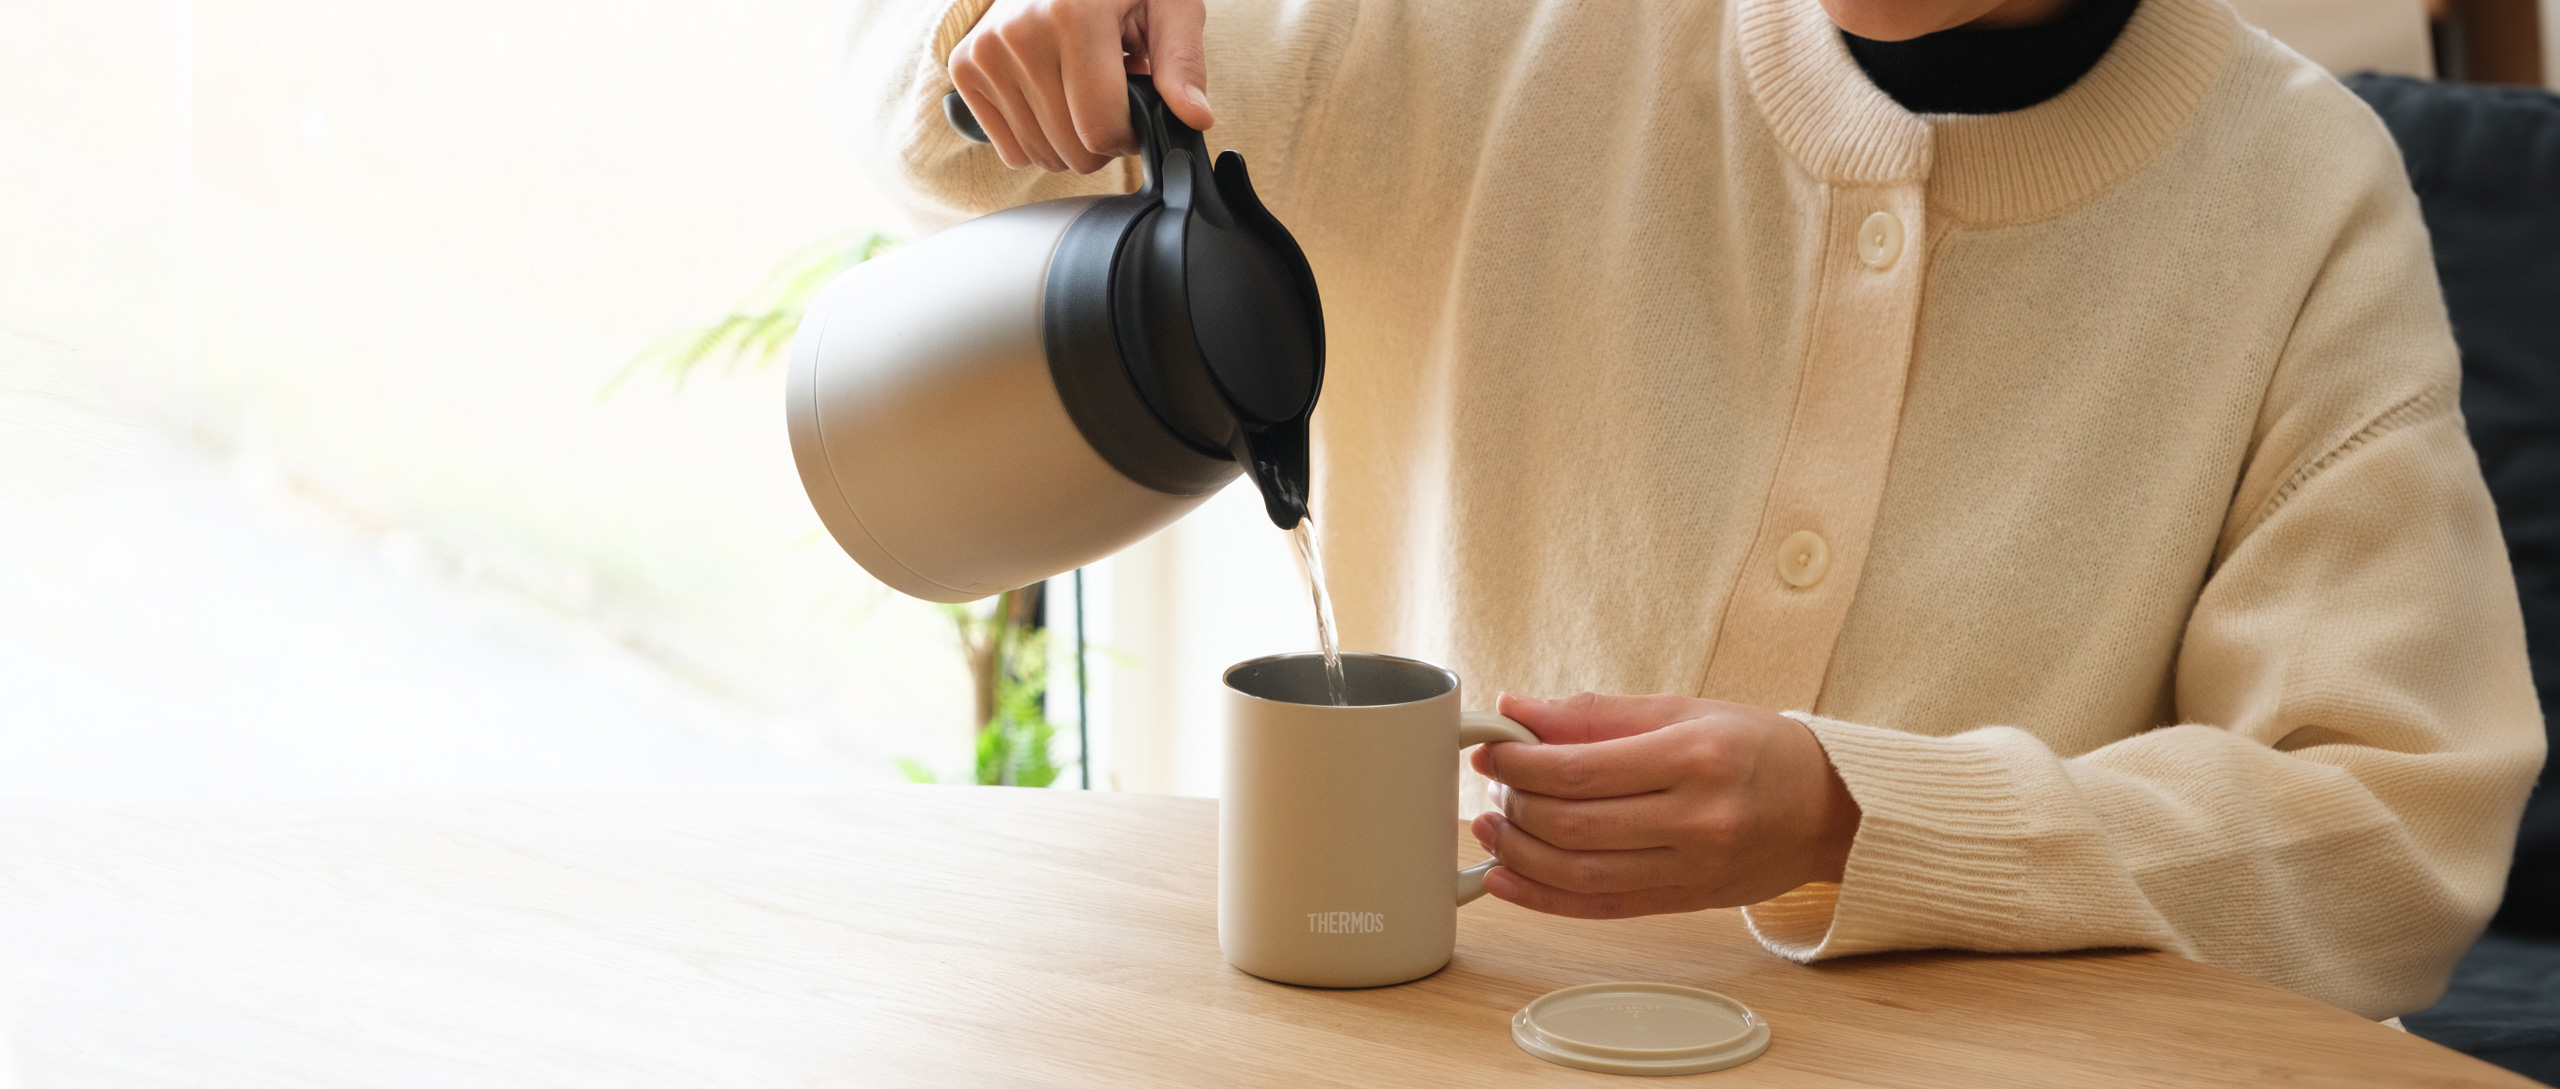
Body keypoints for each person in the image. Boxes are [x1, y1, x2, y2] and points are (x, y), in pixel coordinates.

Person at [834, 0, 2546, 1019]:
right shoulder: (1470, 30)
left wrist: (1859, 815)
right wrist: (1041, 21)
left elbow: (2387, 837)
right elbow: (955, 149)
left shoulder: (2295, 191)